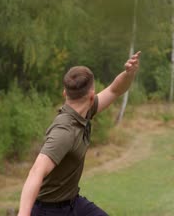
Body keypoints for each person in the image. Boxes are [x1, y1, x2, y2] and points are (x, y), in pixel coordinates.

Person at [17, 51, 141, 216]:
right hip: (48, 210)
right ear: (91, 95)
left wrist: (128, 73)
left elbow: (114, 90)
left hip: (72, 203)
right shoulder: (64, 131)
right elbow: (36, 171)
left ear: (65, 93)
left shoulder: (86, 110)